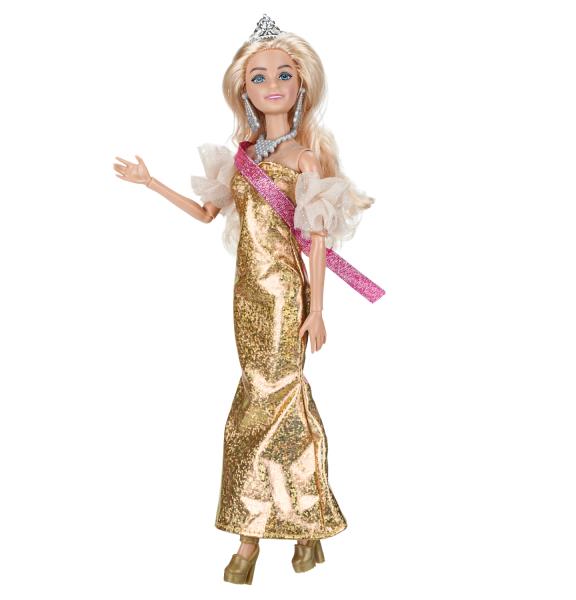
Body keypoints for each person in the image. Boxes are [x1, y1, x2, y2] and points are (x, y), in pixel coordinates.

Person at [113, 13, 384, 585]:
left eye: (283, 75)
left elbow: (317, 237)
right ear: (244, 90)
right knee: (267, 401)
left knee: (267, 402)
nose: (272, 85)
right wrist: (150, 181)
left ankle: (250, 539)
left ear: (301, 83)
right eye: (259, 77)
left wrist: (317, 309)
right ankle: (304, 526)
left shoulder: (304, 159)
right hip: (245, 297)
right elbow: (205, 213)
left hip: (285, 296)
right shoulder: (240, 156)